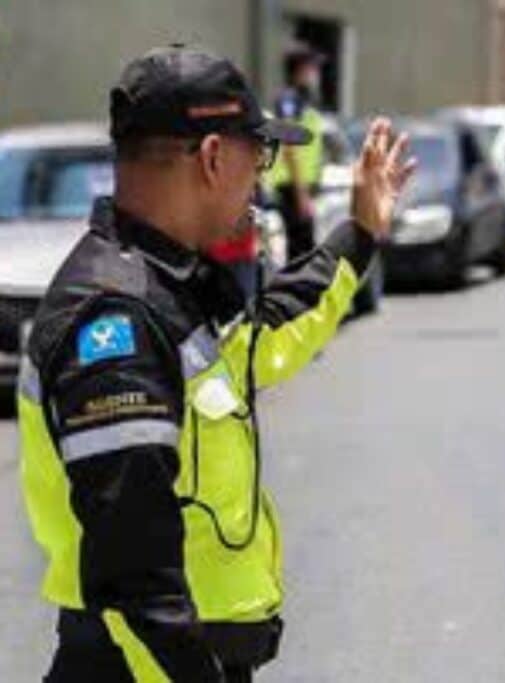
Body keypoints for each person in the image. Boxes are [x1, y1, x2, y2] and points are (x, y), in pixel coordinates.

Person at [17, 44, 415, 682]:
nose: (258, 180)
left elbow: (270, 334)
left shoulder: (167, 286)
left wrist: (360, 232)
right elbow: (136, 586)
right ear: (210, 158)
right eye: (254, 156)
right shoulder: (114, 320)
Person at [266, 42, 328, 261]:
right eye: (313, 67)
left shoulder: (303, 100)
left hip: (300, 186)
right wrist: (301, 194)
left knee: (302, 249)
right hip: (291, 187)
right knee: (301, 252)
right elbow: (289, 144)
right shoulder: (289, 99)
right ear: (300, 68)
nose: (316, 73)